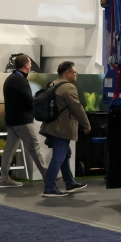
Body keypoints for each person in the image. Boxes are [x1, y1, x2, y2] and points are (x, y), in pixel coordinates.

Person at [38, 61, 90, 198]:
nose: (76, 74)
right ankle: (49, 188)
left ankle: (70, 183)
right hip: (62, 128)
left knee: (65, 154)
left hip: (51, 126)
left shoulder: (52, 84)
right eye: (75, 72)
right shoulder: (68, 88)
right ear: (68, 73)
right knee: (59, 157)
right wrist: (86, 124)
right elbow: (77, 108)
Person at [0, 54, 51, 188]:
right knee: (34, 148)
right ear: (26, 65)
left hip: (13, 120)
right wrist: (42, 98)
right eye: (30, 63)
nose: (31, 65)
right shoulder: (19, 80)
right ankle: (48, 177)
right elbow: (28, 100)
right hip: (22, 120)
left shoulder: (12, 78)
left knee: (9, 150)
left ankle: (4, 178)